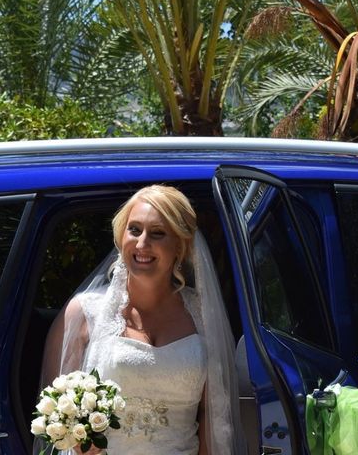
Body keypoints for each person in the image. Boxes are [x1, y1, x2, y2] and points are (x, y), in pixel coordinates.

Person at [39, 185, 244, 454]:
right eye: (134, 230)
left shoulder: (204, 316)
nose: (142, 243)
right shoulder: (83, 313)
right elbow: (57, 414)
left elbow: (212, 414)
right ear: (120, 236)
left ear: (180, 246)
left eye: (157, 233)